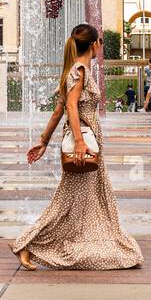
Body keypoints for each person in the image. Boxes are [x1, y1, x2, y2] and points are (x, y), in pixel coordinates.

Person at [13, 23, 143, 271]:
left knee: (78, 199)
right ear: (94, 44)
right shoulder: (79, 70)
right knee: (67, 199)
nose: (101, 46)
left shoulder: (76, 70)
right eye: (101, 42)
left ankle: (37, 244)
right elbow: (71, 107)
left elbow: (57, 111)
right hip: (82, 142)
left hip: (87, 141)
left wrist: (43, 141)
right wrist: (80, 143)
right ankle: (27, 244)